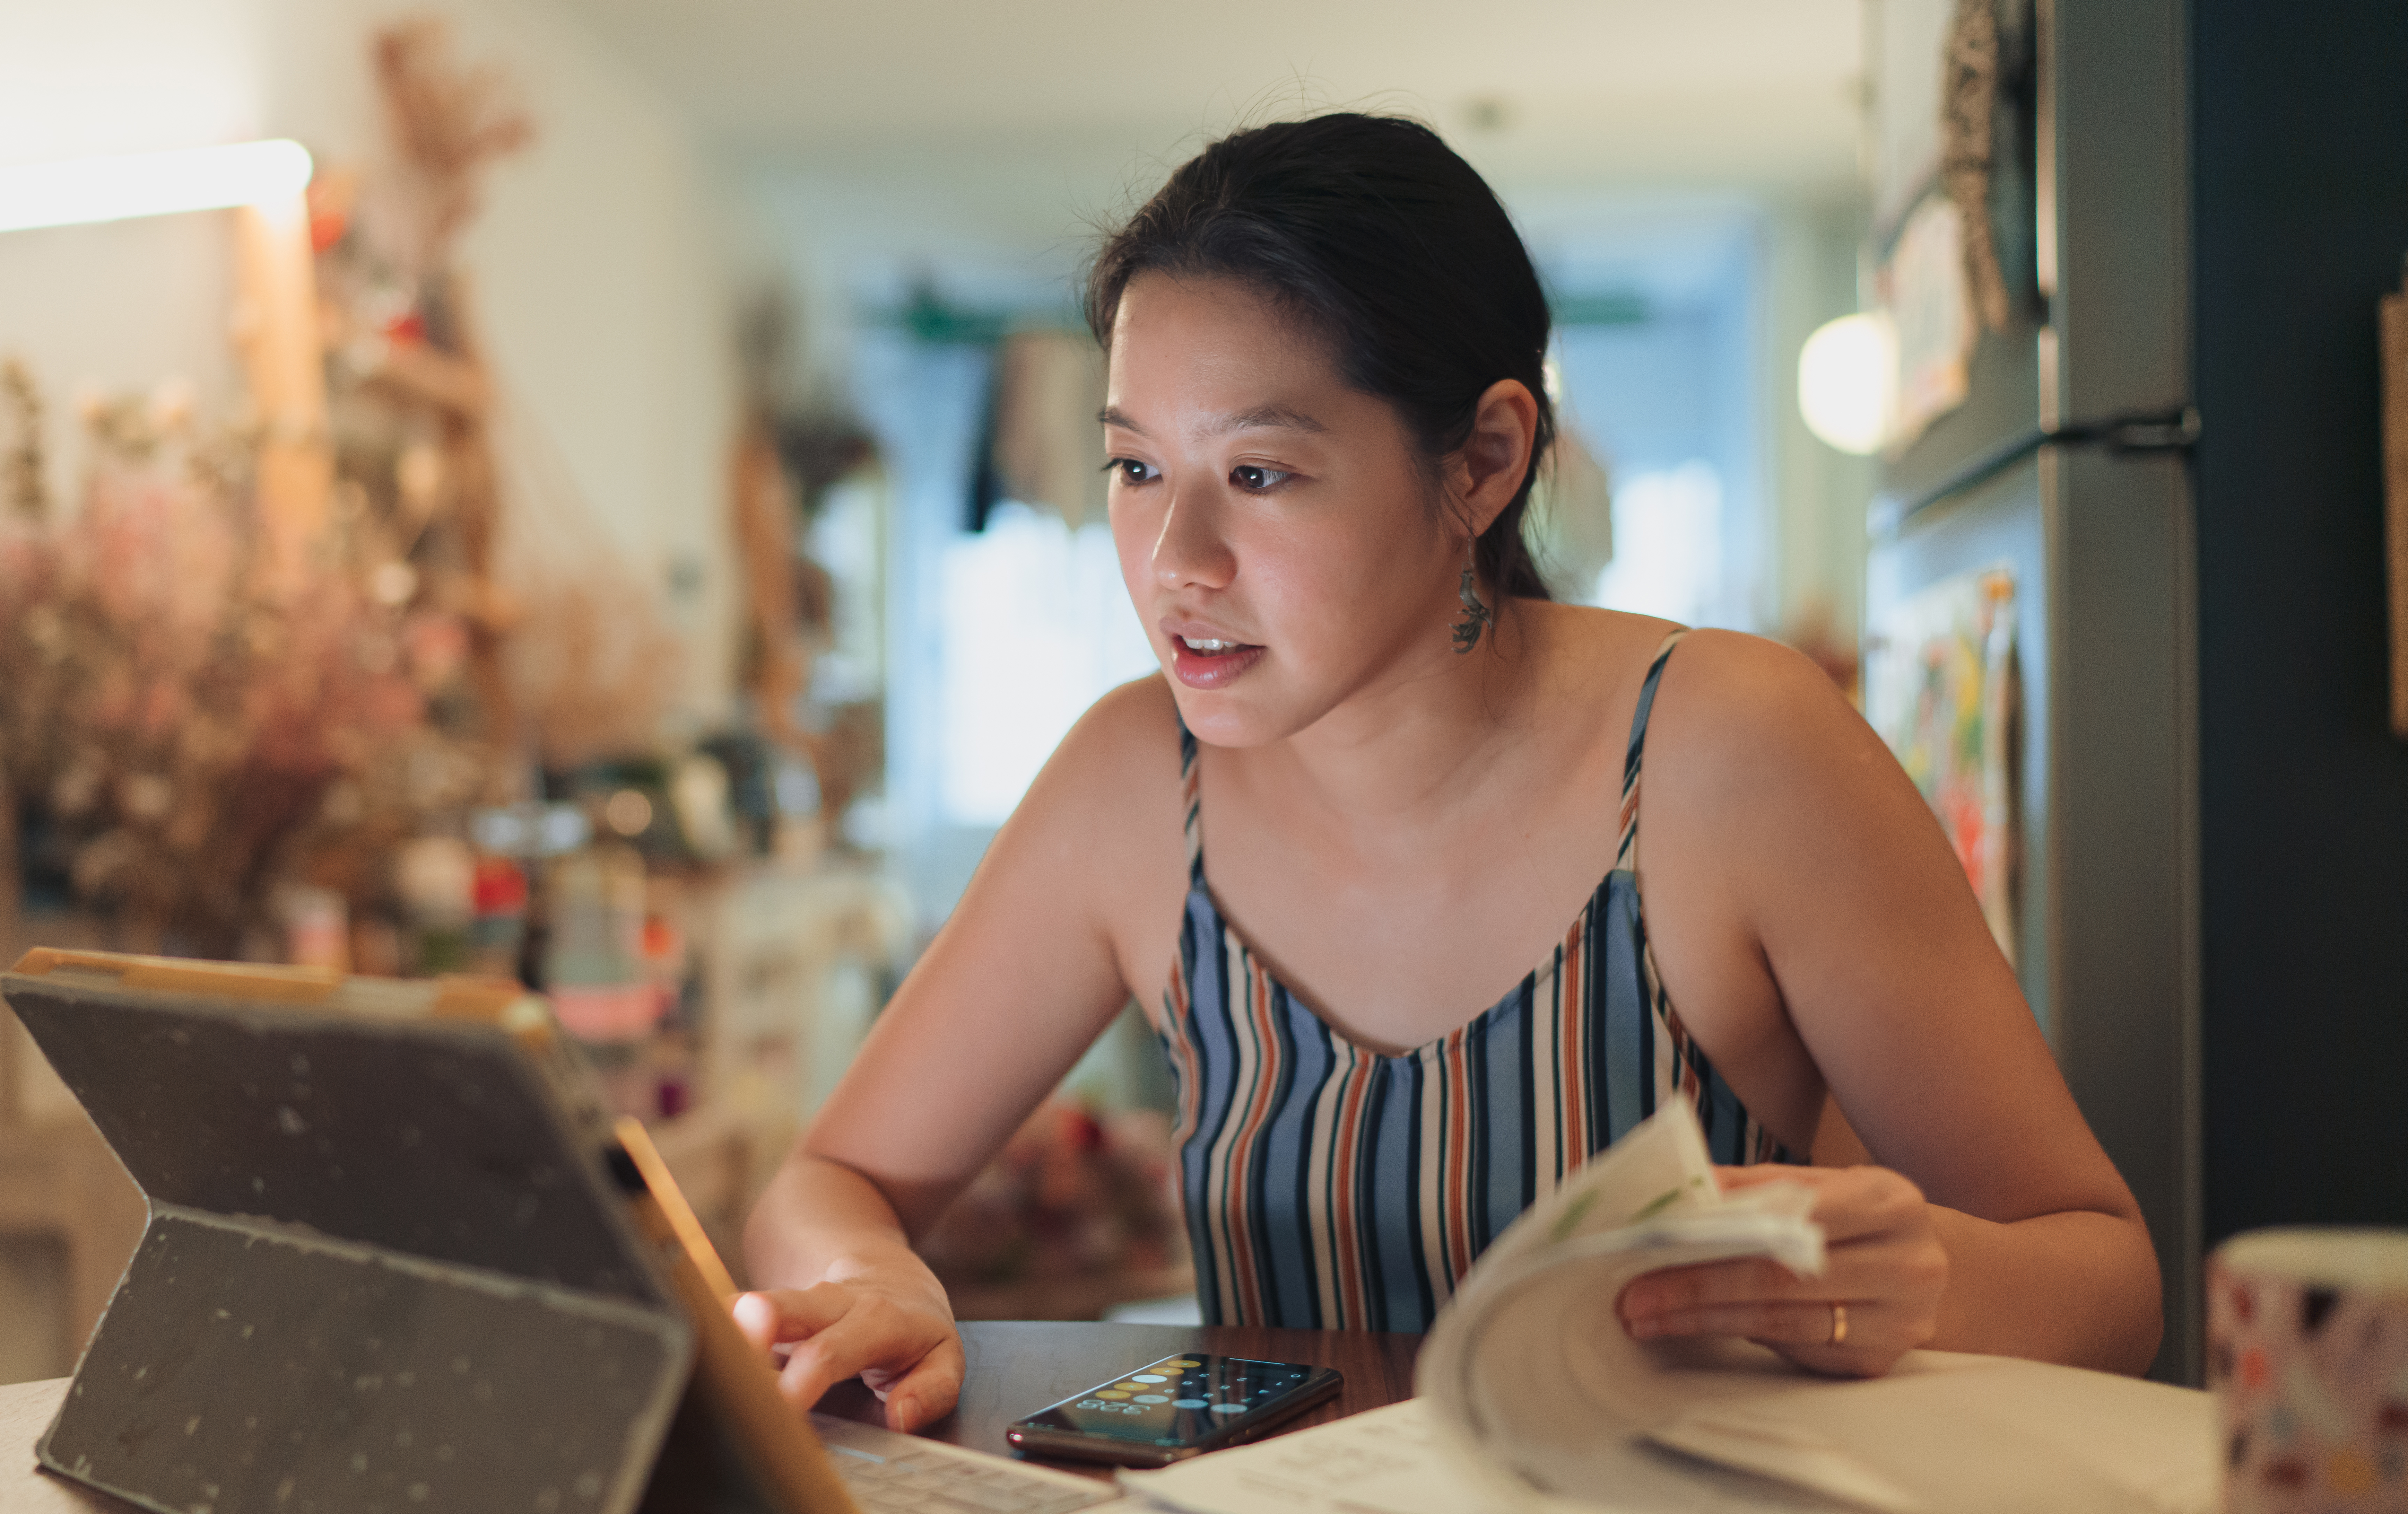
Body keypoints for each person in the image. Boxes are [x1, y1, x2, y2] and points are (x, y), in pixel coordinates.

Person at [734, 113, 2163, 1433]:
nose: (1174, 564)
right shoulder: (1132, 782)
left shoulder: (1729, 750)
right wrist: (877, 1276)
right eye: (1133, 468)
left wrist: (1919, 1282)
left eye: (1261, 474)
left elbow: (2106, 1279)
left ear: (1482, 458)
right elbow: (826, 1183)